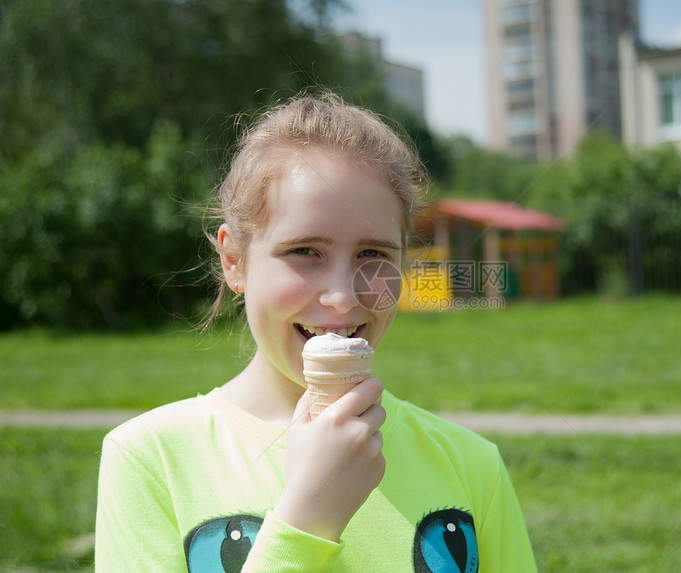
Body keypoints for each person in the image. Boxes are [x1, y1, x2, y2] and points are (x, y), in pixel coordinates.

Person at [95, 93, 537, 572]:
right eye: (305, 251)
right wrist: (306, 522)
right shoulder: (150, 459)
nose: (343, 298)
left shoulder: (473, 464)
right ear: (234, 261)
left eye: (374, 255)